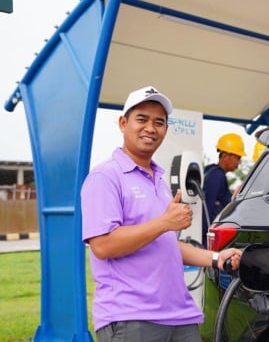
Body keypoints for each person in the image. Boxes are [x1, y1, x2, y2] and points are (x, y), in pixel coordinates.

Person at [80, 85, 242, 342]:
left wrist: (216, 257)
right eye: (141, 119)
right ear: (123, 123)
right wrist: (164, 223)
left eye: (159, 122)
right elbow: (102, 245)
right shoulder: (105, 177)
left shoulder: (158, 180)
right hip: (132, 319)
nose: (151, 128)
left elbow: (166, 243)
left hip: (180, 316)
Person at [201, 133, 245, 245]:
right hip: (209, 237)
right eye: (237, 158)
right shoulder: (216, 175)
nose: (238, 163)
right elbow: (207, 207)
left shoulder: (211, 171)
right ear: (225, 156)